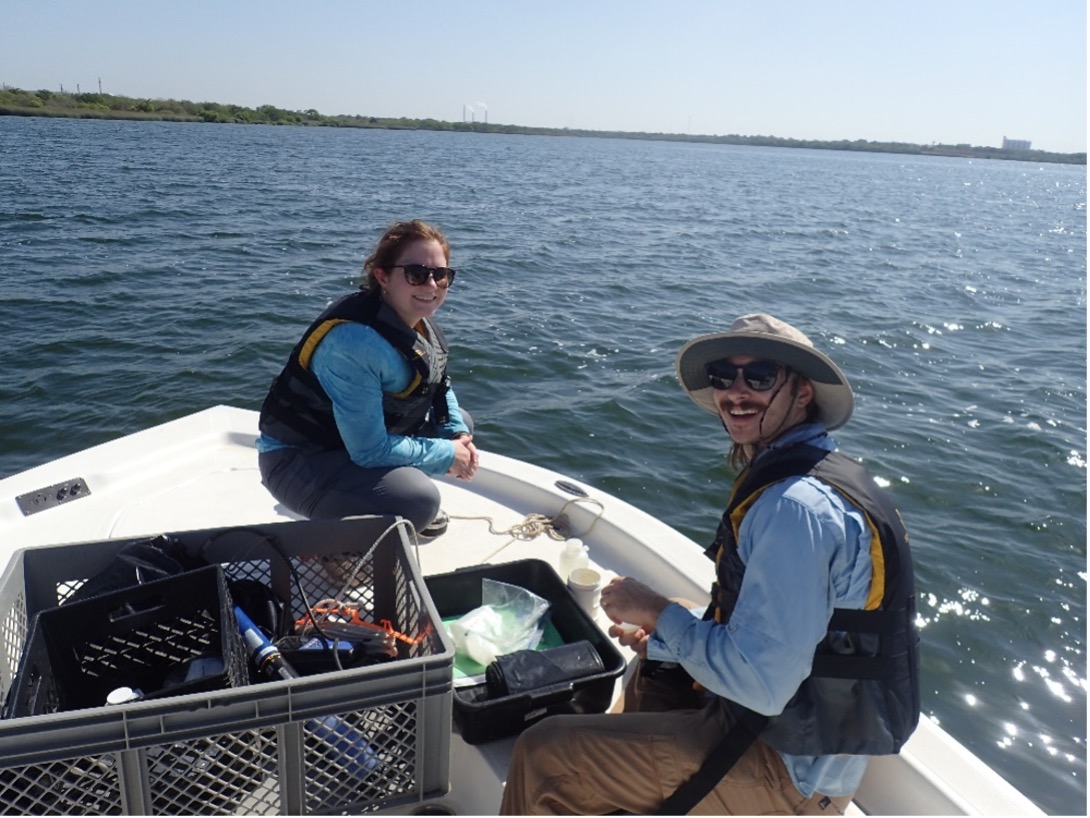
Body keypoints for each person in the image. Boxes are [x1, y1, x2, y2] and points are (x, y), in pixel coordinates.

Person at [500, 313, 919, 815]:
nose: (736, 392)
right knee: (661, 650)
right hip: (788, 732)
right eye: (725, 376)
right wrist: (667, 632)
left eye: (759, 377)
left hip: (785, 774)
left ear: (802, 393)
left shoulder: (794, 509)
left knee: (545, 751)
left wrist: (658, 614)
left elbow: (762, 686)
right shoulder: (816, 475)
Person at [257, 219, 478, 536]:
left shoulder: (416, 322)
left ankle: (377, 500)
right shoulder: (354, 343)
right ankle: (342, 541)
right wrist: (447, 456)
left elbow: (439, 384)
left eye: (441, 275)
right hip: (300, 461)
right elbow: (369, 451)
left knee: (462, 425)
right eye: (416, 274)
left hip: (350, 442)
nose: (430, 286)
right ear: (383, 276)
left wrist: (456, 435)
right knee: (420, 500)